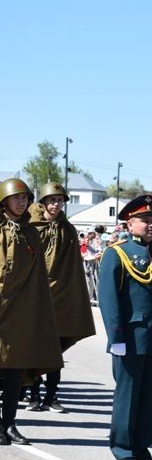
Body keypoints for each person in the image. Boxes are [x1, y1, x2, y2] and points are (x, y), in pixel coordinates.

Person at [97, 195, 152, 460]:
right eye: (144, 220)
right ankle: (122, 447)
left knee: (149, 394)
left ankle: (142, 446)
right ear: (129, 224)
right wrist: (115, 337)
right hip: (130, 337)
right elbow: (109, 299)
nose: (151, 225)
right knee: (128, 393)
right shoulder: (116, 253)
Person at [0, 178, 63, 445]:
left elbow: (37, 276)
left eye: (25, 198)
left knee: (14, 372)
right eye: (16, 198)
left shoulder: (30, 233)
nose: (21, 202)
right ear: (4, 200)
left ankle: (9, 424)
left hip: (20, 315)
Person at [26, 182, 96, 412]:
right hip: (34, 297)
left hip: (60, 298)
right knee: (35, 348)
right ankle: (34, 395)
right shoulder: (31, 226)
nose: (56, 204)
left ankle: (52, 396)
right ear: (43, 202)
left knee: (55, 351)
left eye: (60, 200)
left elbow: (72, 267)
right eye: (52, 200)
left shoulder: (67, 229)